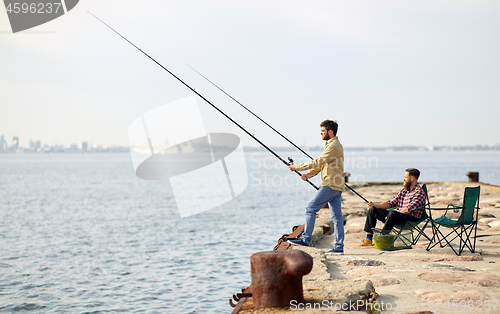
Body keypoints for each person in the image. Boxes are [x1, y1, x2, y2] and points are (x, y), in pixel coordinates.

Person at [287, 120, 345, 255]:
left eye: (323, 131)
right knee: (336, 217)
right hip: (336, 185)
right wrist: (308, 174)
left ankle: (306, 239)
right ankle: (338, 246)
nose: (321, 133)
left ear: (330, 132)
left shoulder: (334, 145)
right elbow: (322, 164)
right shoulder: (331, 145)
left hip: (330, 185)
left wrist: (297, 167)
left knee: (310, 209)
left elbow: (318, 161)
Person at [355, 168, 426, 247]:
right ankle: (368, 239)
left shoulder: (419, 192)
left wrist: (391, 215)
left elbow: (408, 210)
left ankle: (383, 237)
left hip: (410, 218)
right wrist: (375, 205)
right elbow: (390, 203)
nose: (404, 179)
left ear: (412, 178)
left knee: (392, 214)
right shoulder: (404, 191)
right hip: (397, 216)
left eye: (405, 177)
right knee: (372, 210)